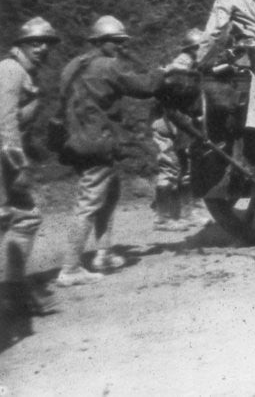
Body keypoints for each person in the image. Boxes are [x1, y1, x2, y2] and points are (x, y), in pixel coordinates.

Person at [56, 16, 162, 287]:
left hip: (76, 141)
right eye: (116, 41)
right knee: (89, 202)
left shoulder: (73, 65)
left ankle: (103, 254)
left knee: (110, 193)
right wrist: (164, 72)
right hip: (98, 143)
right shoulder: (108, 66)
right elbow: (144, 87)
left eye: (121, 41)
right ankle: (70, 268)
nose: (120, 46)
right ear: (101, 42)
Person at [0, 17, 60, 321]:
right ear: (20, 45)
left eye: (46, 44)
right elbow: (5, 122)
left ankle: (12, 290)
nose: (41, 49)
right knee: (13, 218)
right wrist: (19, 165)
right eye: (34, 43)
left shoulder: (25, 73)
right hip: (4, 159)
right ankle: (12, 291)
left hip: (6, 158)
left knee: (25, 218)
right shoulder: (10, 70)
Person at [151, 28, 211, 231]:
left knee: (186, 170)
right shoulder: (177, 70)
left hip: (183, 123)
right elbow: (171, 105)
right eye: (202, 48)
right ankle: (162, 218)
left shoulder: (192, 68)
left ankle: (188, 214)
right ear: (194, 49)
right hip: (167, 124)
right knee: (169, 169)